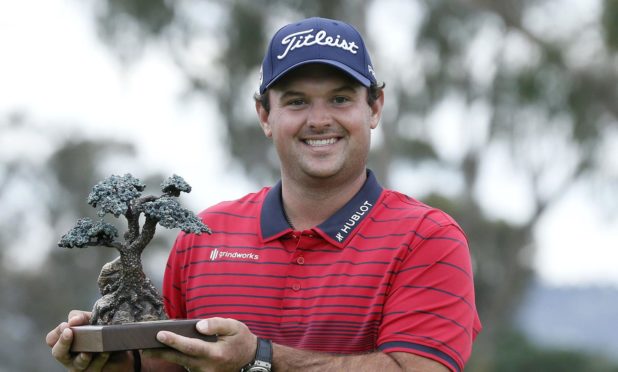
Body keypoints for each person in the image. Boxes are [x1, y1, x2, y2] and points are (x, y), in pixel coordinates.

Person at [46, 16, 481, 372]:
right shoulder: (204, 234)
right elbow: (172, 364)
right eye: (295, 102)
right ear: (264, 114)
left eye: (341, 98)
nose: (319, 119)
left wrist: (261, 358)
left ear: (375, 108)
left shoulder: (427, 238)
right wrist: (113, 361)